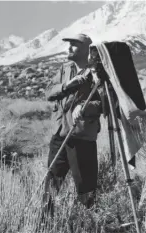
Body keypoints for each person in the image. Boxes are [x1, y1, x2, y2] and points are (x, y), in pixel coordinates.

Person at [41, 33, 103, 219]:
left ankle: (90, 224)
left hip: (81, 135)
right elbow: (49, 93)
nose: (69, 48)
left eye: (74, 45)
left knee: (85, 186)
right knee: (52, 180)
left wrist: (84, 107)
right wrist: (67, 85)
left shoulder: (97, 72)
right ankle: (44, 222)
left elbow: (107, 102)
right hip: (60, 132)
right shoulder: (64, 69)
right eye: (69, 44)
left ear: (85, 48)